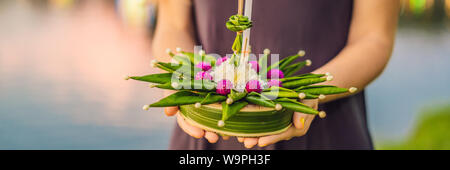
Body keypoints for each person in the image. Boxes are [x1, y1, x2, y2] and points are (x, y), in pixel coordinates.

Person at [152, 0, 399, 150]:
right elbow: (173, 24)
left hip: (326, 131)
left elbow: (374, 38)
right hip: (207, 129)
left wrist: (307, 94)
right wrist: (182, 79)